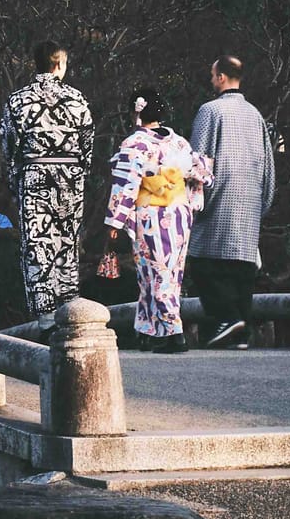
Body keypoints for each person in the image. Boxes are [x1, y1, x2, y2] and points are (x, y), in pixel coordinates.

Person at [104, 87, 213, 352]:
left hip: (151, 214)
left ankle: (174, 333)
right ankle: (149, 330)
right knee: (167, 272)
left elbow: (125, 185)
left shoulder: (134, 144)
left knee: (156, 272)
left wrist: (115, 222)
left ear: (137, 112)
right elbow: (201, 175)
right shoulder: (179, 142)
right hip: (179, 213)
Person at [0, 41, 95, 321]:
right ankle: (69, 311)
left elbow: (9, 146)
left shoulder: (17, 99)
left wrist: (16, 180)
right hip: (70, 176)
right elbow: (87, 144)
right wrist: (80, 173)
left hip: (34, 174)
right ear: (58, 64)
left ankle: (43, 314)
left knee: (38, 243)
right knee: (67, 242)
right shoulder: (77, 99)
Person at [188, 55, 277, 348]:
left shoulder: (210, 111)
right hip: (250, 200)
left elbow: (199, 162)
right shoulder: (255, 115)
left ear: (222, 77)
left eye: (213, 75)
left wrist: (195, 202)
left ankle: (227, 319)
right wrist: (263, 202)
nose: (211, 80)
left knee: (204, 263)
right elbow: (268, 166)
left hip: (218, 199)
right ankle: (240, 328)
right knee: (241, 268)